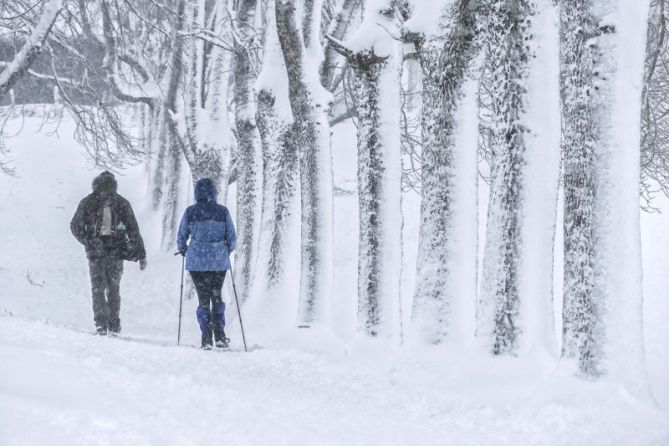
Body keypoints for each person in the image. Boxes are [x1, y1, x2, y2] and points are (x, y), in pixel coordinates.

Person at [70, 171, 147, 335]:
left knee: (97, 288)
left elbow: (74, 226)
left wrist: (88, 241)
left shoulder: (88, 202)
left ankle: (100, 324)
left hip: (95, 254)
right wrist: (141, 254)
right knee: (113, 288)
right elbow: (133, 229)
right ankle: (113, 324)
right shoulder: (121, 203)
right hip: (116, 252)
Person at [176, 177, 236, 349]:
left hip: (197, 262)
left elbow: (181, 236)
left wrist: (184, 250)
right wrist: (225, 250)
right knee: (216, 296)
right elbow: (232, 238)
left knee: (203, 298)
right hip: (218, 261)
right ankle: (220, 335)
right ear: (214, 192)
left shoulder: (190, 212)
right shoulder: (222, 212)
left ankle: (206, 337)